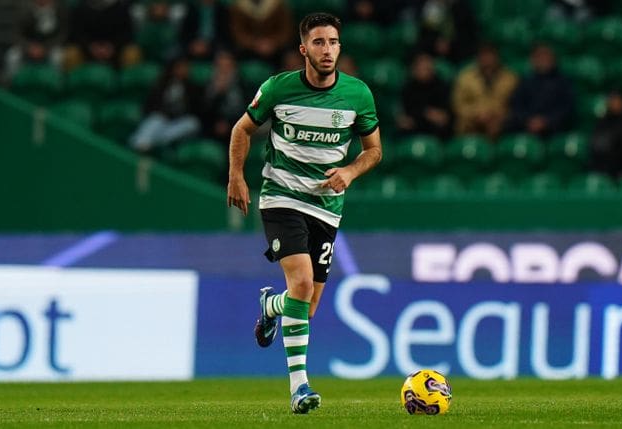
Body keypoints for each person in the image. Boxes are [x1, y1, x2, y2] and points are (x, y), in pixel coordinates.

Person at [226, 12, 381, 414]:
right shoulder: (278, 89)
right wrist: (236, 177)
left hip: (327, 208)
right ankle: (299, 388)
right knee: (301, 283)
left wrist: (349, 170)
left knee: (306, 305)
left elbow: (374, 150)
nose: (326, 50)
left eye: (332, 42)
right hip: (282, 198)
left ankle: (269, 307)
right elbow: (241, 129)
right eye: (318, 42)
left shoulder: (358, 95)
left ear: (339, 48)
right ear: (303, 49)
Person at [129, 57, 202, 152]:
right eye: (180, 67)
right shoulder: (162, 83)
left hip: (177, 122)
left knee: (192, 123)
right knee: (157, 119)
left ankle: (148, 143)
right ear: (174, 68)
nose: (183, 71)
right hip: (161, 118)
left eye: (185, 68)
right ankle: (140, 143)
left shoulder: (192, 88)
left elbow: (195, 108)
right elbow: (150, 104)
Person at [505, 43, 575, 138]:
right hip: (527, 127)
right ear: (533, 60)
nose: (543, 60)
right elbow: (516, 105)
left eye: (546, 56)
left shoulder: (563, 82)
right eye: (539, 56)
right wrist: (528, 120)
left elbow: (567, 108)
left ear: (553, 58)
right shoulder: (525, 82)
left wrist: (546, 121)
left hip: (554, 130)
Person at [452, 43, 517, 139]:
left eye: (490, 55)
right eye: (483, 55)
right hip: (472, 122)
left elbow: (515, 105)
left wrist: (498, 116)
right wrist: (476, 115)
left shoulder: (510, 78)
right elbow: (459, 105)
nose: (487, 59)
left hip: (500, 122)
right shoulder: (465, 77)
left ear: (497, 57)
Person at [4, 0, 70, 79]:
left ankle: (57, 84)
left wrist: (46, 48)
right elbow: (17, 34)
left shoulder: (60, 10)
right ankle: (12, 84)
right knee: (12, 56)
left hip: (50, 46)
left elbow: (62, 34)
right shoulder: (24, 10)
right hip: (29, 46)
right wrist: (29, 47)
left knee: (57, 57)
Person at [397, 52, 452, 140]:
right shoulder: (408, 87)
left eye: (427, 68)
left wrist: (437, 116)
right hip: (413, 128)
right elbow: (403, 115)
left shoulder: (441, 86)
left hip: (434, 129)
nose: (423, 71)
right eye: (420, 68)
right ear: (414, 69)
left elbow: (445, 116)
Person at [228, 0, 295, 67]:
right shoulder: (238, 7)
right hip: (248, 49)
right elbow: (238, 31)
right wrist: (255, 44)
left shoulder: (278, 5)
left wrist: (273, 42)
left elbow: (285, 29)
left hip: (276, 49)